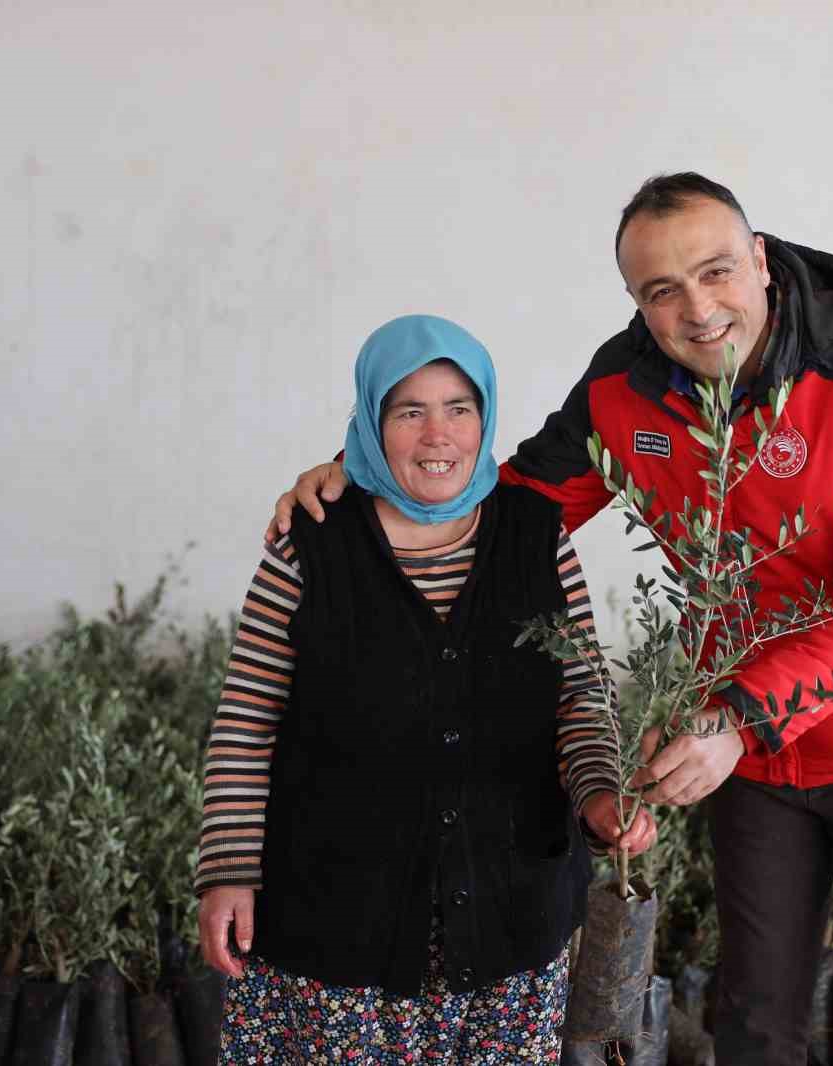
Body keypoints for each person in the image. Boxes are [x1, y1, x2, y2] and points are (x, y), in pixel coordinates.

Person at [273, 175, 833, 1065]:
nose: (697, 309)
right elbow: (519, 511)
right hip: (754, 750)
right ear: (638, 304)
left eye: (717, 271)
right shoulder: (624, 387)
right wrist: (367, 478)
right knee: (756, 1017)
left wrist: (737, 719)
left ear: (761, 261)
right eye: (661, 291)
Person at [197, 314, 656, 1064]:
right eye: (409, 411)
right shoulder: (310, 540)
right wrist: (227, 871)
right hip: (334, 920)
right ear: (373, 422)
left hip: (510, 921)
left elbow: (579, 696)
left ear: (486, 419)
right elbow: (247, 721)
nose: (437, 435)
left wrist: (600, 794)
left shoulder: (537, 537)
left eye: (459, 409)